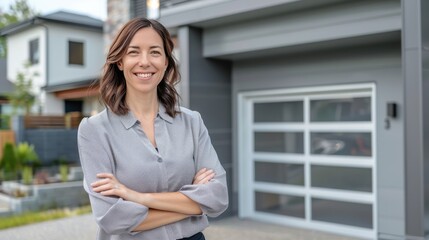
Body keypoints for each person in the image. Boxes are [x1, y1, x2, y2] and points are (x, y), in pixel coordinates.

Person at [77, 17, 228, 240]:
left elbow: (217, 198)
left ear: (166, 61)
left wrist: (136, 197)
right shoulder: (94, 130)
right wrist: (193, 204)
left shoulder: (192, 122)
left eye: (155, 52)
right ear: (120, 61)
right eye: (134, 52)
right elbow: (112, 219)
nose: (145, 61)